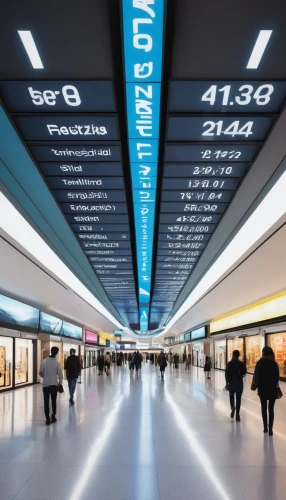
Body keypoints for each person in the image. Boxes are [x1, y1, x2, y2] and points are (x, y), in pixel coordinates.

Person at [253, 346, 280, 436]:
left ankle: (265, 427)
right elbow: (277, 378)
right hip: (272, 389)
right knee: (271, 409)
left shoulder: (260, 363)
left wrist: (255, 386)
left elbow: (257, 376)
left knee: (263, 408)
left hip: (262, 388)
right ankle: (271, 429)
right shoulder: (274, 363)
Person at [39, 346, 63, 425]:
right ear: (56, 353)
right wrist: (60, 384)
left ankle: (47, 418)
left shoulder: (44, 361)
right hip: (54, 385)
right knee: (53, 401)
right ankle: (53, 416)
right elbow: (60, 375)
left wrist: (46, 376)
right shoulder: (56, 363)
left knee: (46, 402)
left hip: (45, 385)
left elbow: (40, 373)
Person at [225, 350, 246, 422]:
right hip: (239, 383)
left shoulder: (229, 364)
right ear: (238, 356)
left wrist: (227, 383)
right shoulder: (241, 363)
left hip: (231, 383)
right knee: (238, 399)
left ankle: (233, 408)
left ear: (233, 355)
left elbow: (226, 374)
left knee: (231, 397)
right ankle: (237, 414)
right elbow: (244, 372)